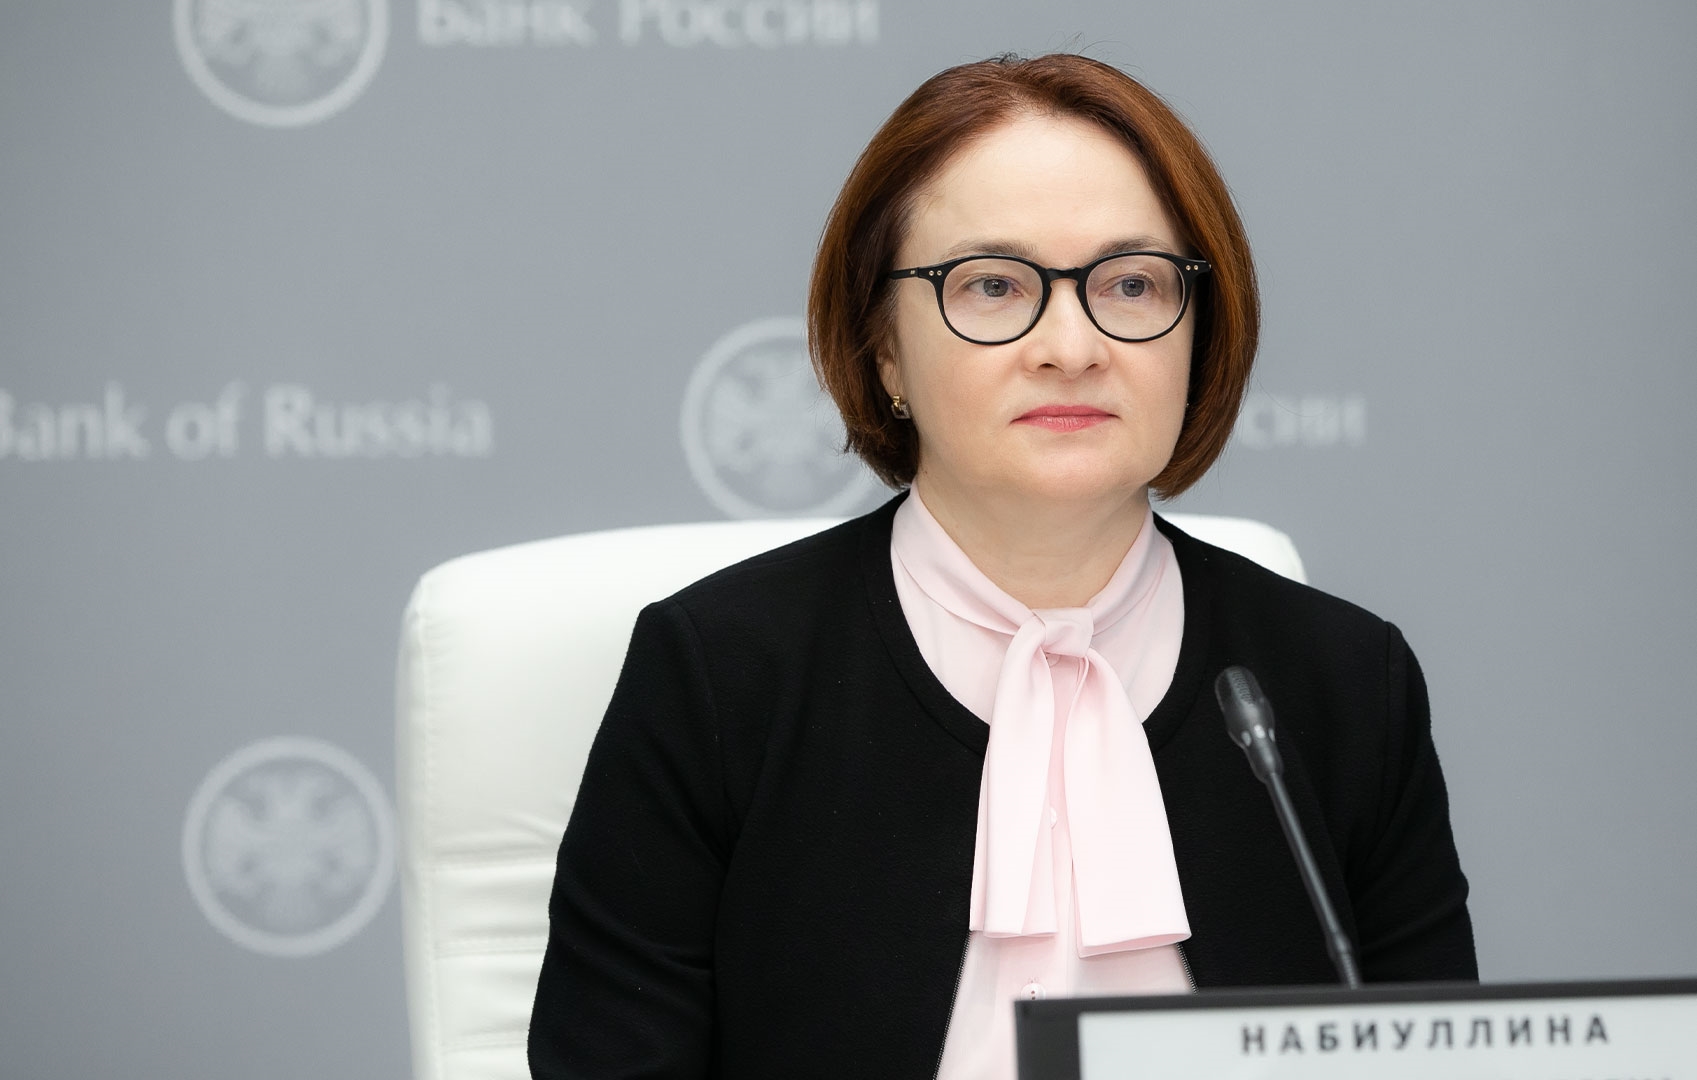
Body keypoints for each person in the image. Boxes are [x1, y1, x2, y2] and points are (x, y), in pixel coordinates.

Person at [529, 53, 1475, 1079]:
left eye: (1130, 284)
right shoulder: (718, 675)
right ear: (883, 348)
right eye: (991, 285)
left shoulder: (1342, 685)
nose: (1070, 346)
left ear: (1198, 333)